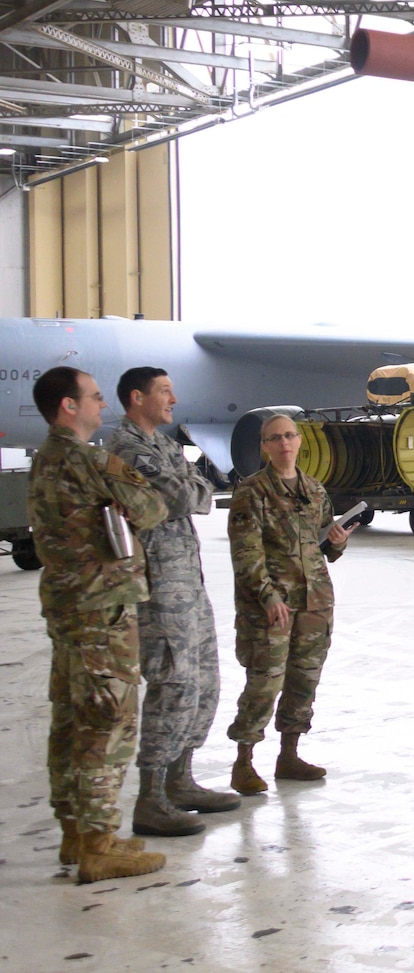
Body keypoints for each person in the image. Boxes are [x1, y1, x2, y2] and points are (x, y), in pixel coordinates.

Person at [28, 366, 170, 882]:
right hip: (103, 615)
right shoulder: (89, 461)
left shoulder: (44, 459)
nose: (101, 405)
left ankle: (74, 831)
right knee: (107, 726)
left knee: (70, 720)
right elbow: (153, 506)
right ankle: (99, 844)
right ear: (69, 406)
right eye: (92, 397)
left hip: (67, 610)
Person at [104, 367, 239, 838]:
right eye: (164, 391)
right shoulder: (127, 448)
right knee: (173, 684)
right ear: (136, 398)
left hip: (187, 581)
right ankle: (152, 797)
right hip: (158, 588)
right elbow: (187, 492)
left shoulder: (162, 446)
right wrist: (189, 486)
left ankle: (181, 780)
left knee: (204, 682)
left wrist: (189, 487)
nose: (173, 399)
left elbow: (197, 490)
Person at [225, 414, 356, 793]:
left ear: (299, 441)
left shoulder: (314, 490)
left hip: (314, 602)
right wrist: (267, 596)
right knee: (265, 682)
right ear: (264, 447)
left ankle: (289, 755)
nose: (284, 443)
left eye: (289, 436)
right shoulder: (251, 492)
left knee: (304, 680)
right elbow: (246, 553)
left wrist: (339, 539)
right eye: (274, 438)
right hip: (272, 606)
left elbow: (324, 548)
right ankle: (243, 762)